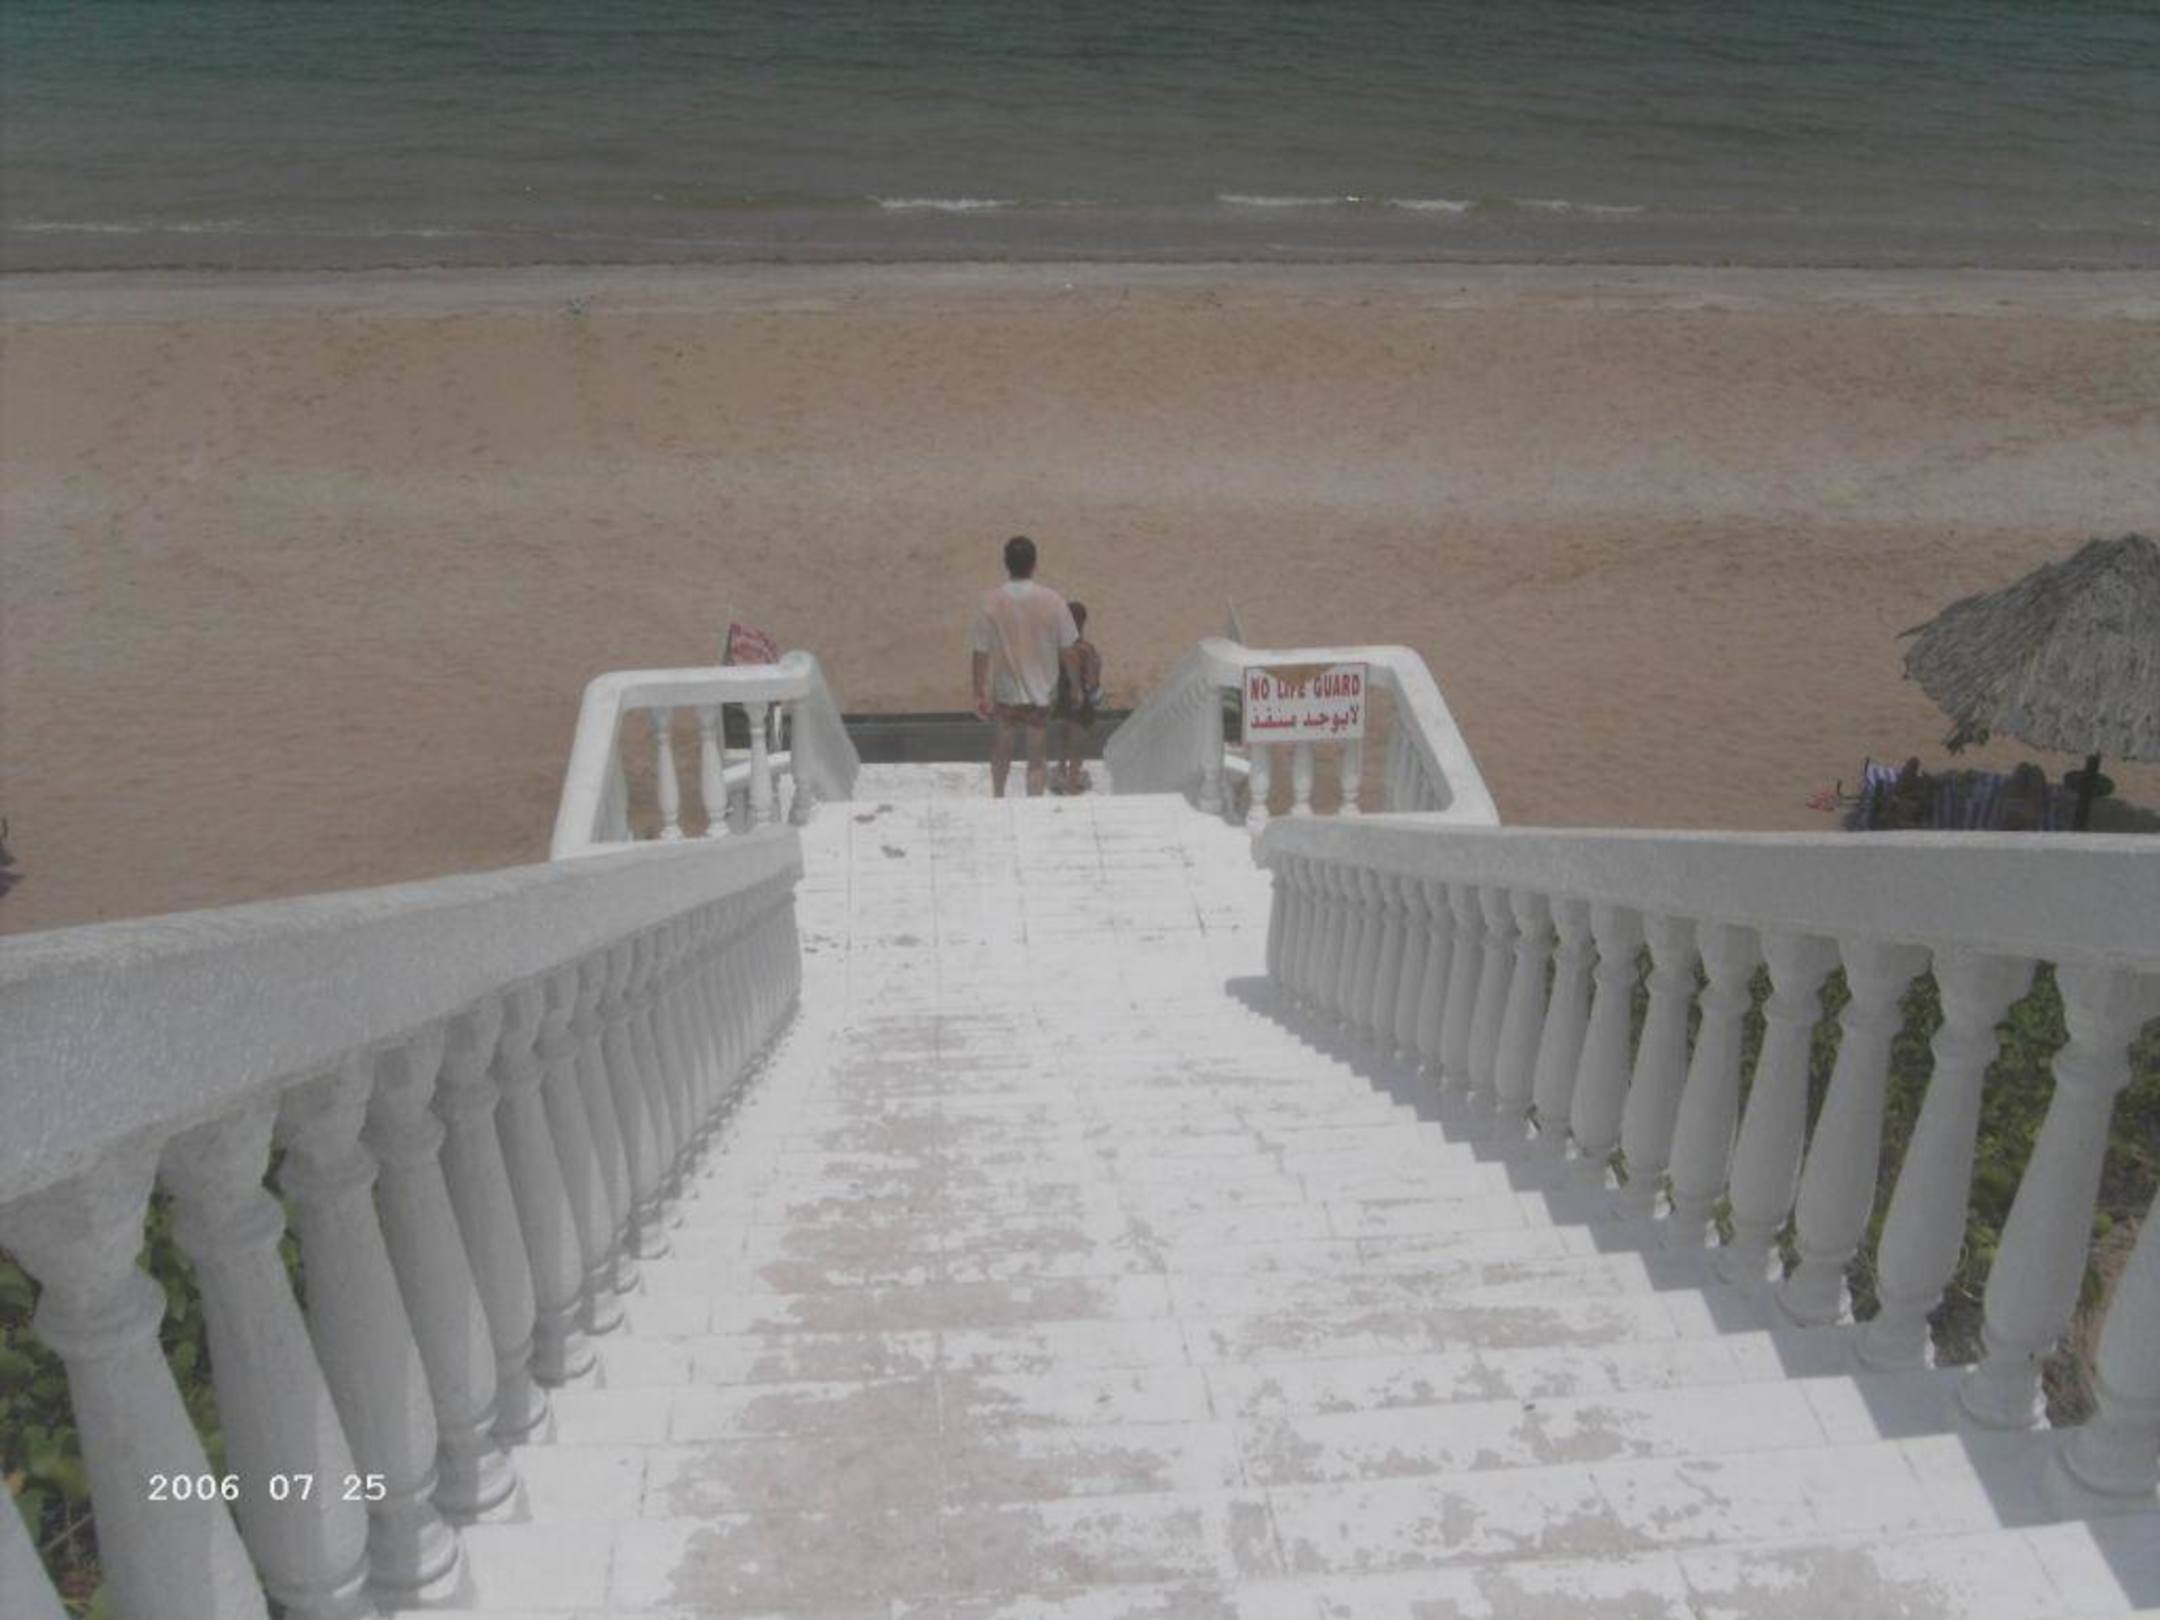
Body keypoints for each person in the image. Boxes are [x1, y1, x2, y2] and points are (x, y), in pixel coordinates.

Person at [969, 535, 1083, 798]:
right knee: (1037, 755)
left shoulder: (990, 601)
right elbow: (1069, 650)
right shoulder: (1053, 600)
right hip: (1041, 694)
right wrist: (1076, 686)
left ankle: (998, 797)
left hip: (1005, 692)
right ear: (1034, 564)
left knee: (1001, 749)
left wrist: (978, 692)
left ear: (1006, 563)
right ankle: (1033, 805)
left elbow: (980, 651)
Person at [1051, 601, 1104, 794]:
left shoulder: (1057, 648)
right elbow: (1092, 680)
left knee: (1064, 735)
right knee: (1078, 739)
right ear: (1082, 622)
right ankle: (1072, 781)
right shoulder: (1085, 649)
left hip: (1061, 696)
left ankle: (1061, 770)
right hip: (1080, 698)